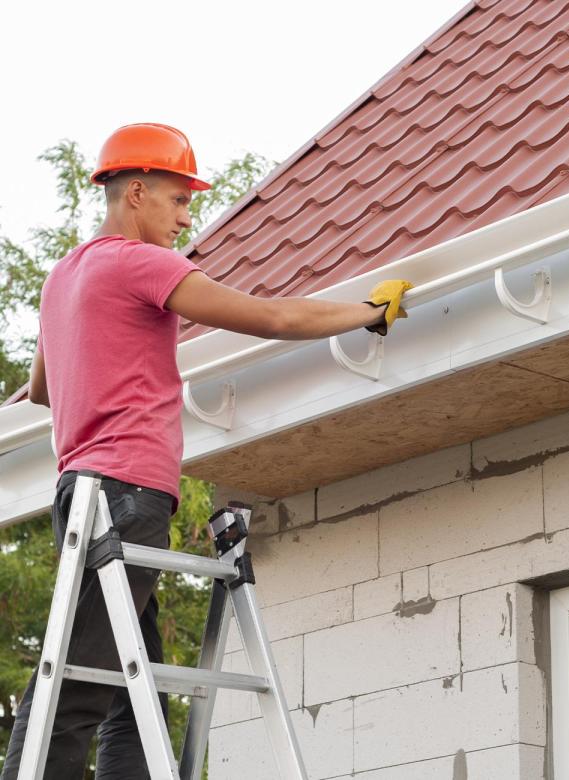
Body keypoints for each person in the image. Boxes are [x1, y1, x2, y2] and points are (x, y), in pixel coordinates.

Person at [2, 122, 412, 779]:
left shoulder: (62, 278)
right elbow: (273, 318)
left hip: (80, 498)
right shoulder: (142, 264)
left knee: (131, 695)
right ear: (137, 192)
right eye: (179, 200)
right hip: (128, 494)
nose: (186, 219)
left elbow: (46, 391)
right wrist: (367, 313)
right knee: (73, 693)